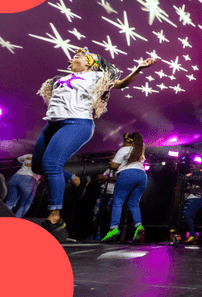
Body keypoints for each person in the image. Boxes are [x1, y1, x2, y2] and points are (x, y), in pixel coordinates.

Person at [33, 47, 154, 236]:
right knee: (38, 165)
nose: (72, 59)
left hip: (77, 123)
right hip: (53, 124)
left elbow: (121, 84)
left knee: (51, 163)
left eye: (78, 57)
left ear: (90, 62)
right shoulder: (60, 79)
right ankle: (74, 179)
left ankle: (55, 216)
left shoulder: (97, 77)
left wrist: (138, 68)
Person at [101, 133, 148, 243]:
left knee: (117, 202)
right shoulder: (140, 151)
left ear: (127, 141)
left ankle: (113, 228)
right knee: (133, 203)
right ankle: (139, 226)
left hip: (127, 175)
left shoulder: (123, 150)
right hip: (142, 176)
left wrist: (111, 160)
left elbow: (113, 166)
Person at [91, 167, 117, 239]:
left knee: (109, 214)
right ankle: (95, 233)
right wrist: (100, 179)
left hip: (113, 194)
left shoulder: (121, 169)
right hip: (103, 193)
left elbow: (119, 178)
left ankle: (108, 234)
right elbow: (101, 179)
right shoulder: (108, 170)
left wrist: (106, 178)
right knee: (96, 213)